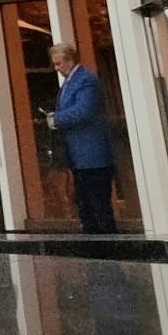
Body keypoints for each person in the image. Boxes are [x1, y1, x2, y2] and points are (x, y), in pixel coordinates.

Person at [46, 41, 117, 232]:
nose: (57, 68)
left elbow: (84, 110)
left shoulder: (85, 79)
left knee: (98, 206)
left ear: (70, 60)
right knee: (86, 205)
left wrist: (57, 119)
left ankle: (108, 247)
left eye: (59, 63)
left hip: (93, 156)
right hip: (80, 157)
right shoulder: (69, 83)